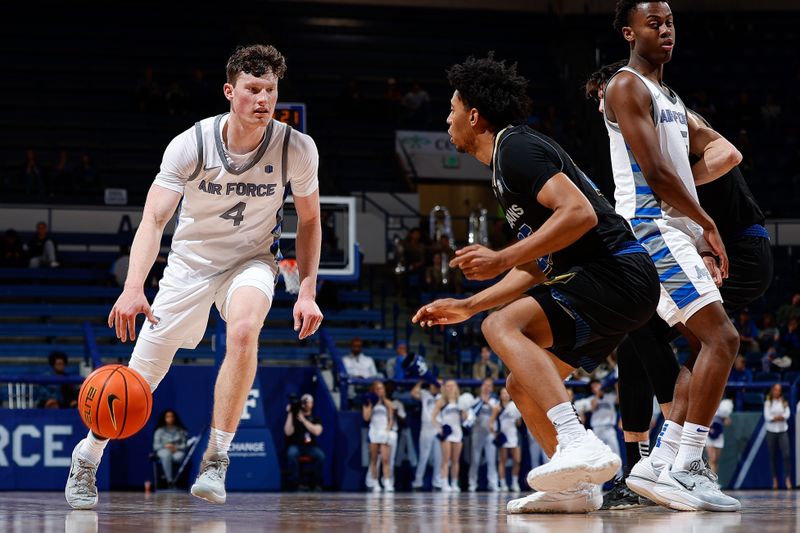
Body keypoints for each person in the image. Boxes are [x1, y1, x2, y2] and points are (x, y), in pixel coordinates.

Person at [65, 44, 324, 510]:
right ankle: (88, 455)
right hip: (189, 265)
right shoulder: (192, 143)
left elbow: (309, 221)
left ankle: (216, 459)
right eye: (252, 89)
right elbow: (153, 219)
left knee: (244, 329)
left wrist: (306, 290)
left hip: (253, 261)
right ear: (230, 91)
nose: (263, 99)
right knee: (140, 378)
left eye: (270, 90)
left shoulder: (297, 148)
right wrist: (132, 287)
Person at [412, 53, 660, 513]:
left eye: (451, 109)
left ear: (473, 115)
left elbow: (579, 214)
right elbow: (539, 263)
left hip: (617, 272)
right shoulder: (505, 165)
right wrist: (470, 304)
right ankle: (575, 490)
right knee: (520, 385)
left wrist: (501, 256)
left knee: (502, 327)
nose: (446, 119)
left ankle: (576, 439)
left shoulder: (516, 148)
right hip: (610, 283)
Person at [585, 52, 771, 509]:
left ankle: (672, 461)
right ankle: (661, 461)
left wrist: (695, 212)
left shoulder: (662, 110)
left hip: (729, 242)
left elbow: (726, 153)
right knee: (684, 343)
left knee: (690, 340)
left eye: (602, 102)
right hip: (699, 235)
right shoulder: (661, 116)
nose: (604, 113)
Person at [574, 380, 621, 479]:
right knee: (597, 458)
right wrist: (597, 395)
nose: (596, 387)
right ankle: (598, 486)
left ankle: (619, 479)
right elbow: (593, 407)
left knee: (616, 456)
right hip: (597, 430)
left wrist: (617, 387)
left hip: (609, 428)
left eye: (597, 385)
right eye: (593, 386)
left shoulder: (610, 396)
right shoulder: (590, 399)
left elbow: (619, 400)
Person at [284, 393, 325, 490]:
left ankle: (316, 483)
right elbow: (287, 432)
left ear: (312, 404)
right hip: (297, 446)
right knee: (291, 453)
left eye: (308, 402)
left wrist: (303, 420)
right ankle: (296, 483)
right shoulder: (294, 417)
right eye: (304, 402)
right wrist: (290, 413)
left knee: (321, 456)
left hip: (311, 447)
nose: (305, 405)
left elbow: (317, 431)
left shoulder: (315, 418)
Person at [431, 379, 465, 493]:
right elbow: (433, 417)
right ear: (445, 388)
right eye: (448, 386)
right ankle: (444, 482)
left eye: (453, 386)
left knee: (455, 460)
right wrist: (439, 429)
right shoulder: (442, 401)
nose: (450, 388)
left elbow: (464, 418)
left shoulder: (460, 401)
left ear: (456, 388)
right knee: (446, 459)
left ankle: (454, 483)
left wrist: (465, 412)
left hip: (457, 431)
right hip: (447, 432)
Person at [410, 379, 444, 490]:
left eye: (438, 384)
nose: (436, 386)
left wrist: (441, 387)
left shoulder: (443, 397)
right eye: (434, 384)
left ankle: (437, 482)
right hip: (426, 428)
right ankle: (418, 482)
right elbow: (413, 393)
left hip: (438, 428)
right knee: (423, 457)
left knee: (438, 457)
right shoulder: (425, 394)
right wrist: (421, 381)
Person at [467, 377, 499, 492]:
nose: (487, 387)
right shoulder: (475, 401)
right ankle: (472, 483)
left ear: (492, 388)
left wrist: (486, 402)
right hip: (477, 433)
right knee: (475, 459)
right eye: (485, 385)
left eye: (489, 386)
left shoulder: (494, 402)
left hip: (490, 434)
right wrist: (480, 402)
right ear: (481, 387)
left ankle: (493, 483)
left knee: (491, 460)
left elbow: (496, 410)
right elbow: (469, 417)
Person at [363, 380, 394, 493]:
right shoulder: (369, 402)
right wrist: (371, 404)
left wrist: (387, 430)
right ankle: (375, 482)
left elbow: (391, 419)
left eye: (382, 388)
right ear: (374, 390)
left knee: (386, 459)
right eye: (378, 389)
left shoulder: (387, 403)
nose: (380, 391)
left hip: (384, 432)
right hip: (374, 432)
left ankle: (386, 481)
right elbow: (366, 418)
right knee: (374, 459)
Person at [490, 387, 522, 492]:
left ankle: (514, 482)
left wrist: (518, 418)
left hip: (513, 436)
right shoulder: (497, 408)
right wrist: (496, 434)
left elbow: (518, 424)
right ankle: (503, 484)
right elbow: (490, 423)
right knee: (502, 460)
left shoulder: (515, 406)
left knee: (517, 460)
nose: (506, 395)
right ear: (500, 395)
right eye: (503, 393)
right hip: (503, 437)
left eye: (507, 393)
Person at [764, 383, 791, 490]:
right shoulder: (768, 402)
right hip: (771, 431)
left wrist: (776, 417)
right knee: (772, 456)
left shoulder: (784, 402)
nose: (777, 392)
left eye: (779, 390)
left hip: (782, 430)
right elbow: (767, 417)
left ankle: (787, 479)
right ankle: (774, 480)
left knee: (786, 455)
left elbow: (787, 415)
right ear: (772, 390)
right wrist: (779, 417)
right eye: (775, 389)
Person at [153, 409, 188, 487]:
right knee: (167, 455)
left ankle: (168, 476)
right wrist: (165, 446)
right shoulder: (159, 431)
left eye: (172, 416)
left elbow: (184, 445)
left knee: (179, 457)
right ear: (164, 418)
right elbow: (155, 446)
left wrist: (176, 447)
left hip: (176, 451)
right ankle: (170, 481)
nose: (170, 418)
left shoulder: (180, 430)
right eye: (168, 416)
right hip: (163, 450)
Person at [705, 397, 733, 475]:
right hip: (709, 436)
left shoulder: (722, 410)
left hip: (719, 437)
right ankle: (710, 479)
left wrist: (726, 417)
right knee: (712, 459)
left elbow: (728, 423)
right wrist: (710, 429)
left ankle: (714, 479)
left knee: (716, 460)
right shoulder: (708, 408)